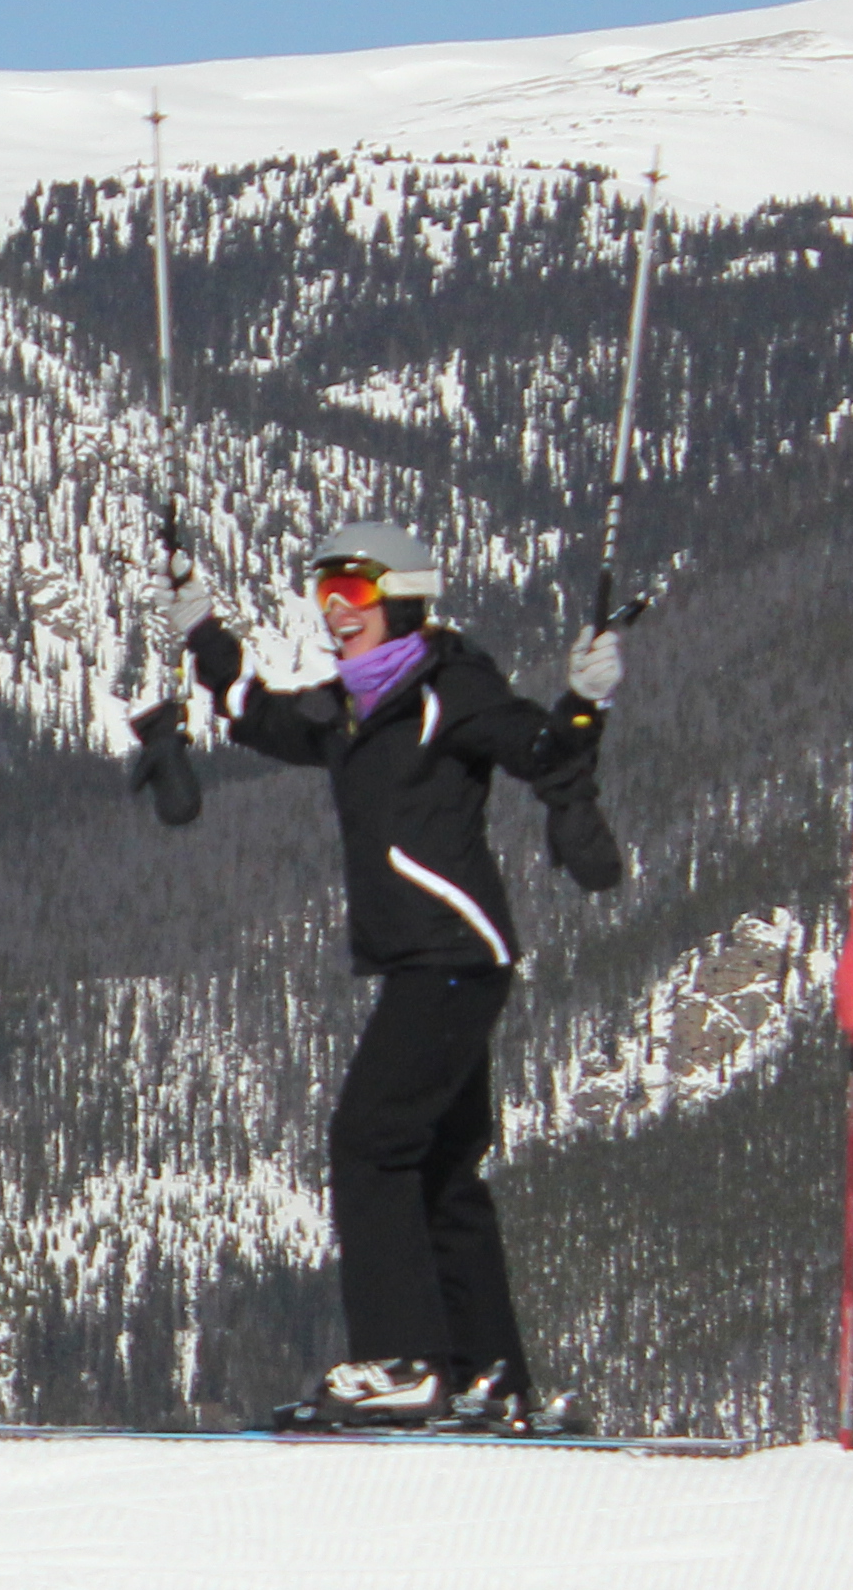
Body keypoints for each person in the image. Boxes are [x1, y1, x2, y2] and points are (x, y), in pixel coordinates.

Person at [178, 518, 624, 1431]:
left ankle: (403, 1364)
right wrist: (206, 643)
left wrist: (583, 700)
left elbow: (543, 753)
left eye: (357, 591)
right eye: (324, 591)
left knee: (369, 1142)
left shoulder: (448, 687)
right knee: (441, 1170)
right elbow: (262, 718)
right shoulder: (352, 706)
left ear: (407, 597)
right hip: (432, 963)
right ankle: (488, 1375)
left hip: (453, 957)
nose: (337, 610)